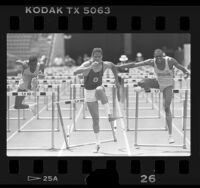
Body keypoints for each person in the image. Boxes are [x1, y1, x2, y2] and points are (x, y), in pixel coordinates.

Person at [117, 49, 190, 144]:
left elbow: (180, 67)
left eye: (160, 57)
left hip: (168, 86)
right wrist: (121, 66)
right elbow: (135, 64)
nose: (159, 59)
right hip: (158, 83)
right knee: (141, 82)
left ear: (163, 56)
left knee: (166, 108)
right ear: (154, 57)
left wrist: (187, 73)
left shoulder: (170, 60)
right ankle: (144, 89)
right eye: (157, 57)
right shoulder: (152, 61)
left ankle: (170, 135)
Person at [74, 48, 120, 152]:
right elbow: (75, 72)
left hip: (98, 89)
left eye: (99, 57)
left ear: (102, 57)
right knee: (96, 119)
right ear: (92, 56)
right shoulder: (87, 64)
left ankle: (109, 115)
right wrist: (90, 67)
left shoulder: (104, 65)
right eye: (95, 56)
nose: (97, 58)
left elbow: (113, 65)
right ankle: (98, 142)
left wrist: (116, 80)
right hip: (89, 93)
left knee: (99, 89)